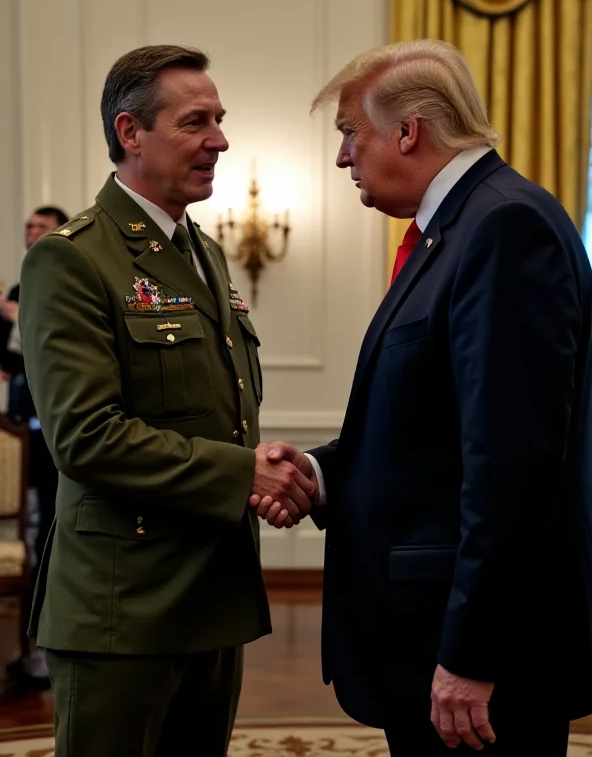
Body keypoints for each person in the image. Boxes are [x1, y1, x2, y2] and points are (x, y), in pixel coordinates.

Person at [250, 39, 592, 755]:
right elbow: (430, 432)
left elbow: (511, 467)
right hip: (429, 636)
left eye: (350, 133)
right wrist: (316, 474)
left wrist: (472, 656)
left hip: (475, 659)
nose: (343, 156)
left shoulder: (503, 227)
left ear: (408, 132)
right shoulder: (454, 231)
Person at [18, 45, 316, 757]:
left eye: (219, 120)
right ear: (130, 133)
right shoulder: (73, 258)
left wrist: (262, 461)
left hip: (212, 595)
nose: (220, 139)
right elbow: (86, 436)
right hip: (124, 608)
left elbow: (220, 408)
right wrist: (244, 473)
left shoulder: (204, 253)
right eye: (196, 122)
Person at [0, 205, 68, 690]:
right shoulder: (18, 289)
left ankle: (45, 642)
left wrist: (16, 318)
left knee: (48, 523)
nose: (31, 234)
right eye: (28, 228)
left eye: (40, 228)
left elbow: (47, 349)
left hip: (53, 434)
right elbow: (8, 361)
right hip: (17, 424)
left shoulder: (65, 274)